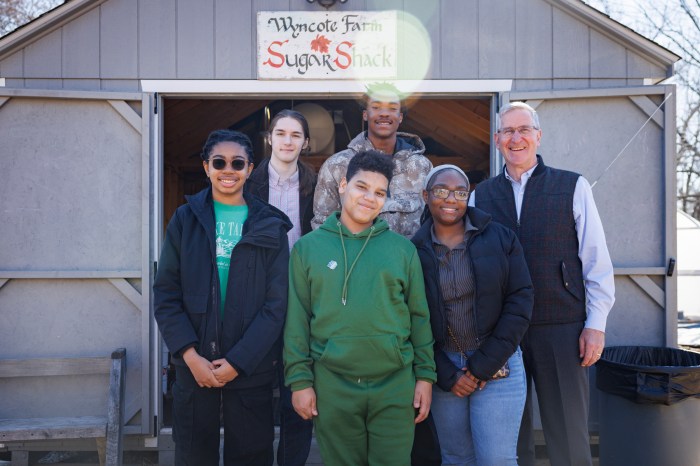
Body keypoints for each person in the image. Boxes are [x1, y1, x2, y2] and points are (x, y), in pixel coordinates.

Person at [471, 102, 616, 466]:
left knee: (568, 435)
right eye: (507, 131)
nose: (515, 138)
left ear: (538, 136)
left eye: (523, 130)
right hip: (503, 333)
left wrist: (595, 325)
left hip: (562, 329)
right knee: (509, 437)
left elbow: (596, 259)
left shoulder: (572, 186)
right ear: (496, 140)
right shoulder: (481, 196)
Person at [284, 150, 437, 466]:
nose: (370, 198)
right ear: (342, 185)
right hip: (333, 384)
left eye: (380, 192)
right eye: (361, 187)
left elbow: (419, 317)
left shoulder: (402, 251)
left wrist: (425, 376)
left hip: (395, 385)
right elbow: (296, 321)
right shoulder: (307, 249)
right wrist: (299, 381)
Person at [154, 129, 291, 466]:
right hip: (194, 366)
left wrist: (238, 362)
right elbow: (166, 294)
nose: (227, 169)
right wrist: (189, 355)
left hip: (250, 367)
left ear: (249, 168)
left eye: (237, 163)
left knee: (251, 454)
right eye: (219, 162)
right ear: (206, 167)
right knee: (192, 455)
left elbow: (277, 305)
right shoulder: (185, 220)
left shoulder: (270, 225)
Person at [411, 164, 534, 465]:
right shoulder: (413, 250)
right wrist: (447, 374)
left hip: (499, 366)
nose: (450, 199)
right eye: (441, 191)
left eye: (460, 192)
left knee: (497, 460)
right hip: (445, 370)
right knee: (456, 459)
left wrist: (481, 366)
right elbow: (410, 318)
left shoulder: (500, 238)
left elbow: (520, 299)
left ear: (470, 197)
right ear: (426, 195)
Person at [246, 109, 317, 466]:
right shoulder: (247, 182)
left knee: (297, 391)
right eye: (281, 133)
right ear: (269, 138)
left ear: (305, 143)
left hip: (302, 298)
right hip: (257, 297)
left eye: (296, 135)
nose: (288, 141)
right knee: (255, 392)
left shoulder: (316, 183)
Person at [311, 82, 433, 238]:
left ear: (400, 117)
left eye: (392, 108)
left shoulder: (421, 166)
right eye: (376, 107)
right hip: (354, 260)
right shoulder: (337, 165)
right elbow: (323, 224)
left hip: (408, 260)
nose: (384, 114)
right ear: (365, 114)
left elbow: (432, 222)